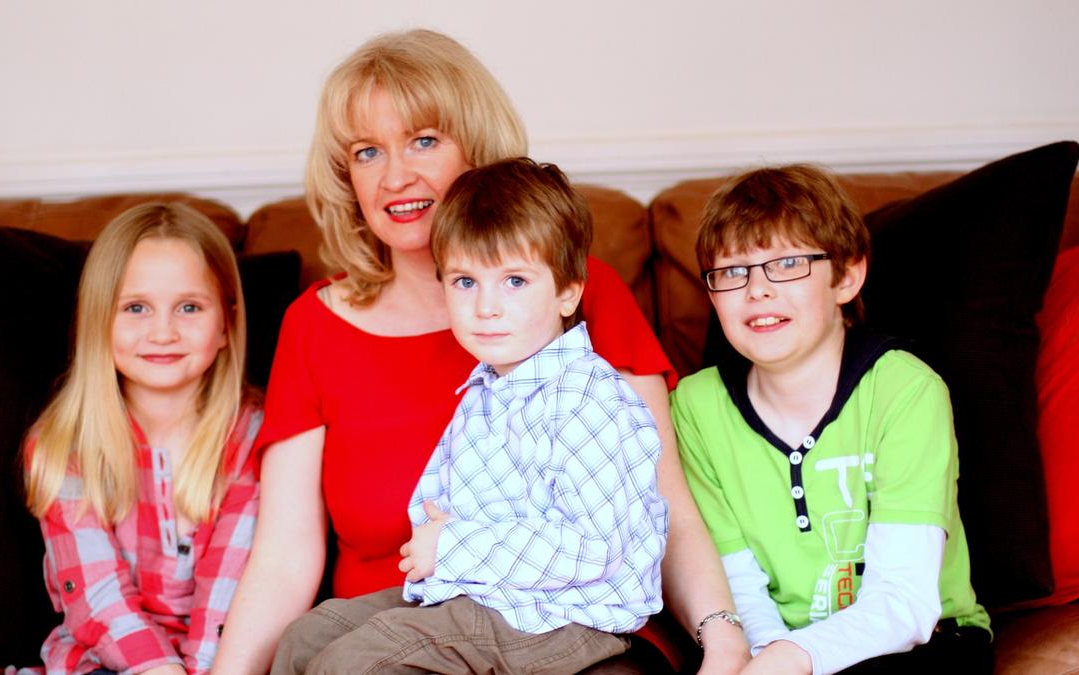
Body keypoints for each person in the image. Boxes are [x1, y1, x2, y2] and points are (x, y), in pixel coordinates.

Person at [214, 29, 750, 674]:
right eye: (366, 152)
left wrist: (722, 636)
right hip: (405, 624)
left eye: (424, 140)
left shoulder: (577, 294)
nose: (395, 176)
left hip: (563, 625)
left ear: (476, 151)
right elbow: (282, 558)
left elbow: (662, 502)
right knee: (307, 649)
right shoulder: (313, 326)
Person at [270, 158, 670, 674]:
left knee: (358, 661)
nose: (486, 307)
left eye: (515, 281)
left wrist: (454, 546)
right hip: (483, 594)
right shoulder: (489, 386)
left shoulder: (590, 402)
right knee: (311, 635)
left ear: (569, 291)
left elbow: (593, 551)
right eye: (464, 282)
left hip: (566, 615)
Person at [670, 164, 992, 674]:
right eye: (733, 271)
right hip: (773, 648)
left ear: (845, 277)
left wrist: (796, 659)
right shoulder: (695, 405)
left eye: (788, 263)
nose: (757, 289)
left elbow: (903, 601)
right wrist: (771, 658)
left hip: (920, 641)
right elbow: (738, 589)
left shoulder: (906, 392)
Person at [22, 203, 263, 675]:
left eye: (189, 307)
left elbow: (230, 590)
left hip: (223, 661)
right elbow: (98, 597)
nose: (163, 331)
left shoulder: (256, 435)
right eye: (136, 308)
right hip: (102, 658)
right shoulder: (64, 444)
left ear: (225, 325)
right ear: (98, 320)